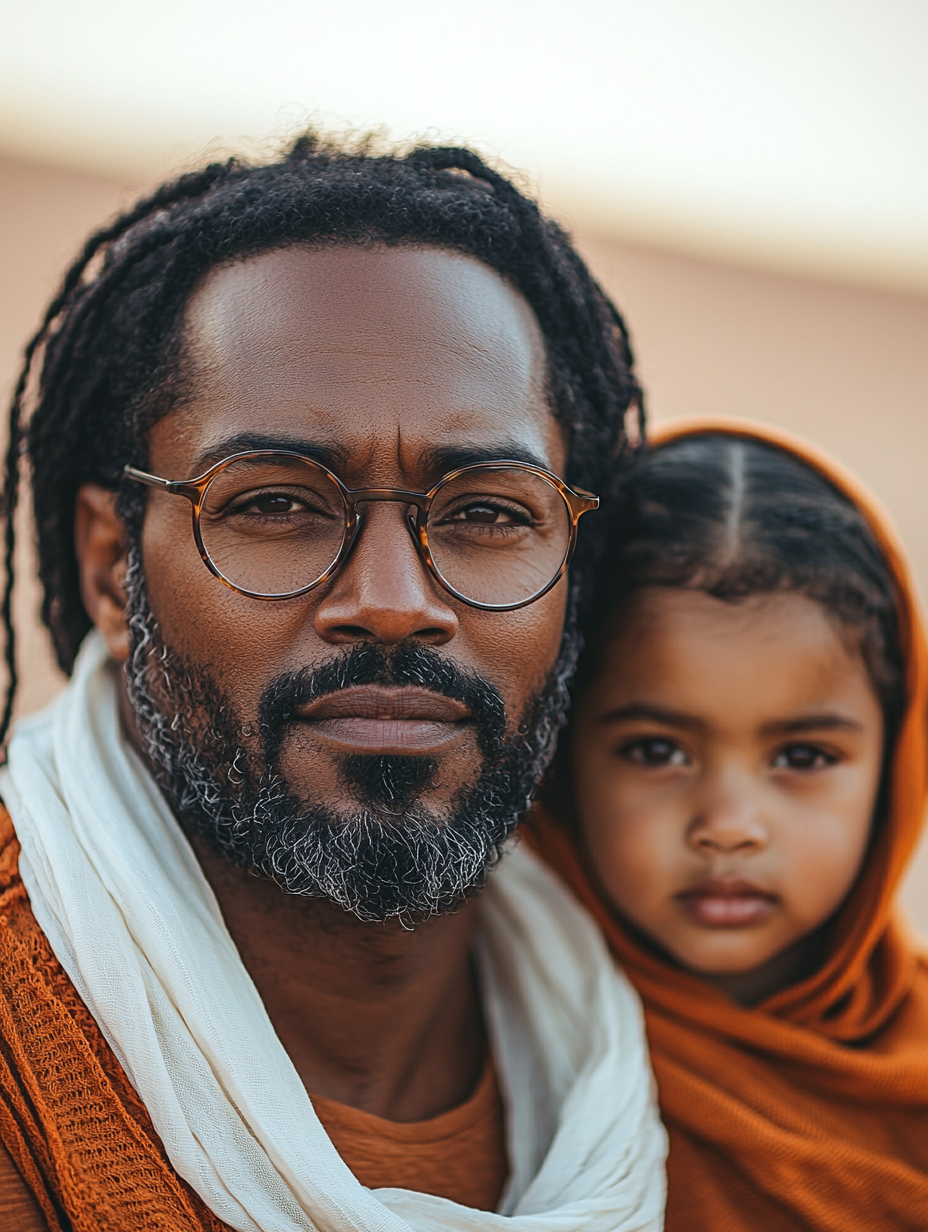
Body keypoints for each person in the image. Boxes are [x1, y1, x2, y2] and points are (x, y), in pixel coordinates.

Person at [0, 136, 666, 1230]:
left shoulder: (705, 1038)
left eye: (489, 511)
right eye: (275, 500)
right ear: (106, 568)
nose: (395, 599)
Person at [531, 419, 928, 1231]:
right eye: (656, 750)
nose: (729, 826)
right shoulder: (490, 1042)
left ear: (896, 770)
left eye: (805, 757)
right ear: (562, 757)